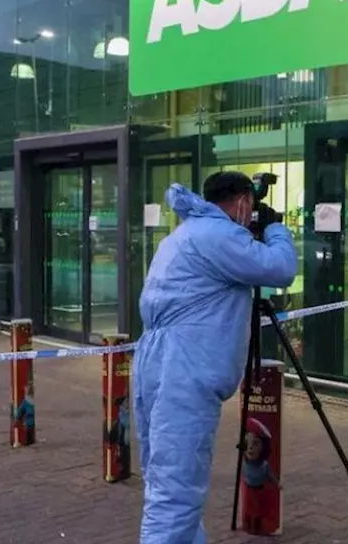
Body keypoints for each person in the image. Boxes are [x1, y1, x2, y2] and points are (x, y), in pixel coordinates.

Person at [134, 172, 297, 544]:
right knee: (175, 493)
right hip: (185, 370)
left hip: (160, 364)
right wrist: (274, 229)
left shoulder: (185, 234)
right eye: (251, 207)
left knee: (167, 481)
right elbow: (281, 268)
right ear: (241, 203)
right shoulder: (218, 235)